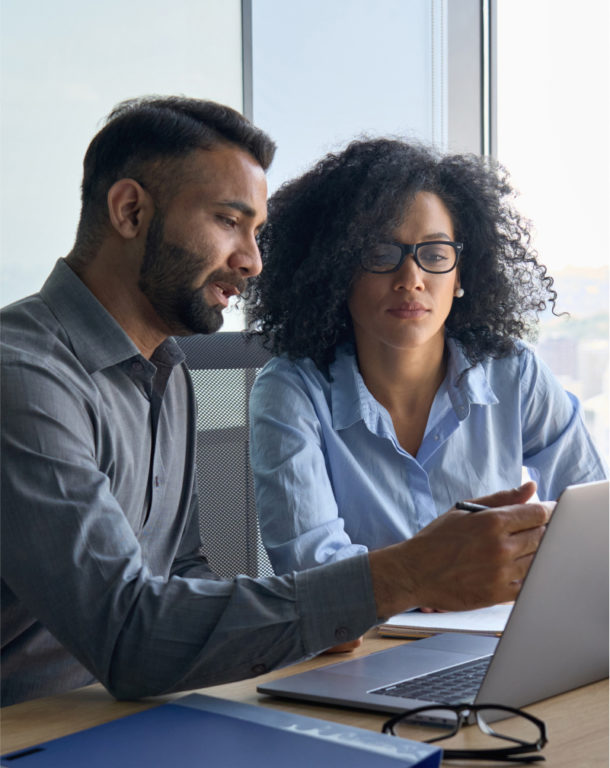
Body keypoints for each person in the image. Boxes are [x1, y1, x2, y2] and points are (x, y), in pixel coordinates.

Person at [1, 99, 551, 708]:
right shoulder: (23, 379)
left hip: (126, 716)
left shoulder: (168, 371)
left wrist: (312, 621)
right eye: (227, 221)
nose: (252, 260)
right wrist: (401, 578)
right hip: (30, 728)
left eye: (256, 232)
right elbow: (131, 637)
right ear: (130, 211)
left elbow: (181, 574)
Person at [247, 138, 607, 577]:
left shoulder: (514, 373)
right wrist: (431, 580)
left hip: (498, 631)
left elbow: (592, 523)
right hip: (365, 644)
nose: (412, 279)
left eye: (435, 255)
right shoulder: (290, 392)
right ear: (338, 270)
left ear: (460, 275)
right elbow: (315, 574)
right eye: (381, 253)